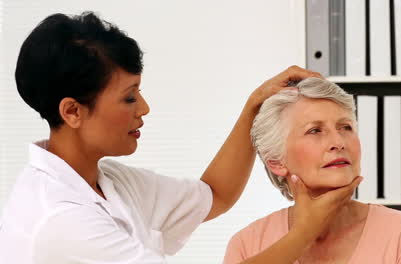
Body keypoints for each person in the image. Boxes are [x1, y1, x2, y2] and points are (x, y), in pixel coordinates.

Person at [0, 11, 354, 264]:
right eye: (129, 97)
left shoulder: (109, 182)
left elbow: (213, 195)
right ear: (73, 112)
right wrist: (305, 230)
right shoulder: (60, 221)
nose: (145, 108)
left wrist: (253, 106)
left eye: (345, 126)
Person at [224, 77, 401, 264]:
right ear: (276, 161)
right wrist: (304, 232)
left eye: (345, 127)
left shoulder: (398, 230)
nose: (338, 142)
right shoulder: (248, 244)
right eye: (315, 130)